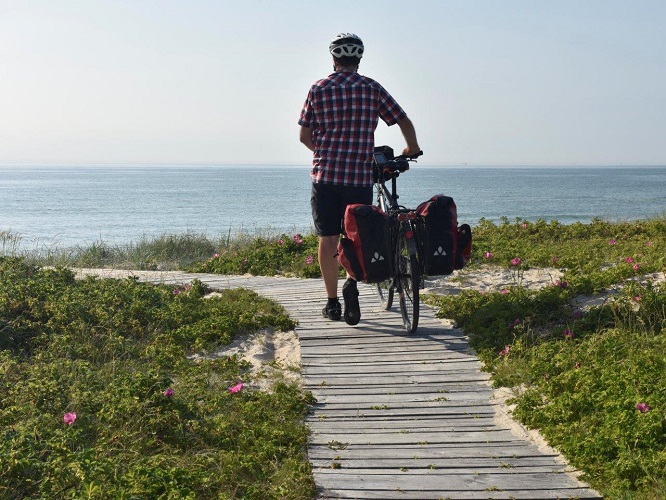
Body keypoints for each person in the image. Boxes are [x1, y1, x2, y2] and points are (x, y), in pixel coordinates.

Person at [298, 33, 420, 325]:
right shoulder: (371, 88)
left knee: (328, 239)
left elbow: (304, 136)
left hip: (325, 176)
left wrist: (327, 152)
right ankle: (352, 284)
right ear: (359, 59)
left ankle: (332, 303)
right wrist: (411, 148)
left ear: (334, 59)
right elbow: (401, 119)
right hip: (358, 178)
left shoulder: (318, 88)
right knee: (357, 236)